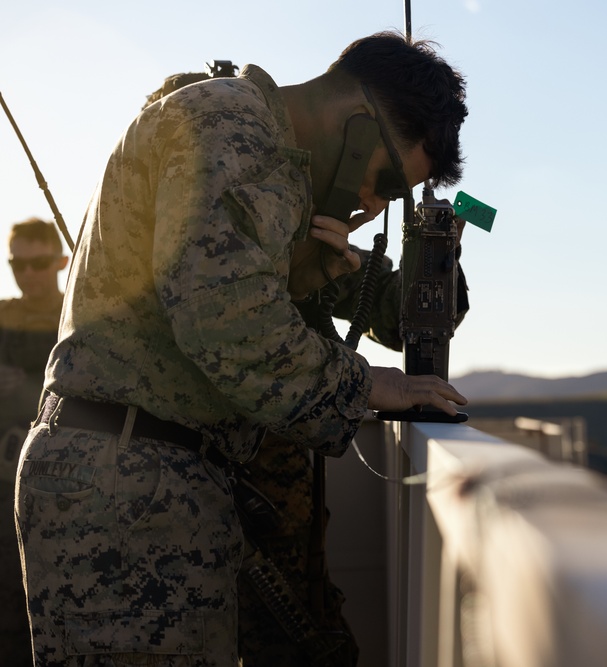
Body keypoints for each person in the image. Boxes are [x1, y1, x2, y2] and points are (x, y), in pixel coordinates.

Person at [16, 31, 469, 667]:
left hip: (148, 477)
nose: (371, 206)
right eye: (385, 181)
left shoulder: (263, 156)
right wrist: (365, 384)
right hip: (127, 484)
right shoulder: (232, 129)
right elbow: (229, 324)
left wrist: (311, 276)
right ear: (361, 125)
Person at [0, 218, 67, 666]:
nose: (28, 275)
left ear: (61, 262)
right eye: (17, 265)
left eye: (39, 263)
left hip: (67, 485)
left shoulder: (79, 320)